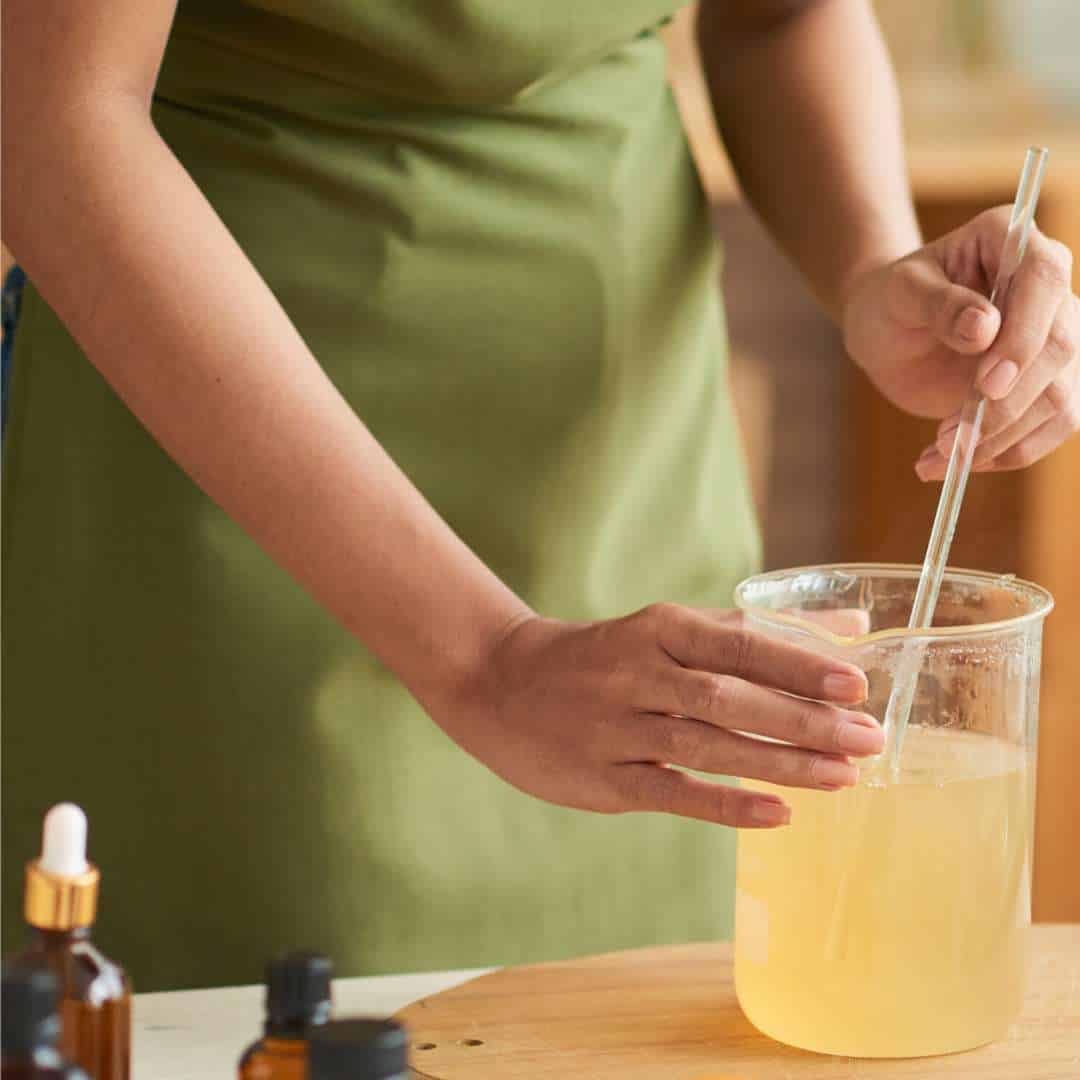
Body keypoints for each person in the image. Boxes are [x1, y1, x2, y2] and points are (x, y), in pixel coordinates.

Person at [3, 1, 1077, 992]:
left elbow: (777, 17)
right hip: (244, 497)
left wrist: (876, 268)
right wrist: (480, 656)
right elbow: (54, 117)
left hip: (628, 493)